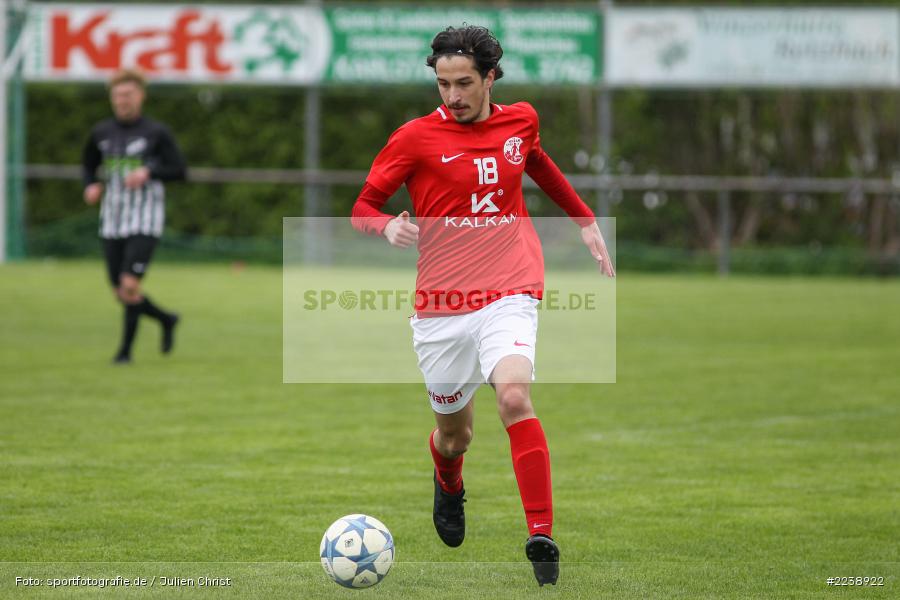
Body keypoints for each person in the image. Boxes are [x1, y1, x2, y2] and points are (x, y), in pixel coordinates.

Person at [351, 25, 615, 586]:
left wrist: (585, 220)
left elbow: (538, 163)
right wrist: (386, 225)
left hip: (510, 284)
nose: (453, 95)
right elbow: (363, 205)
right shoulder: (413, 138)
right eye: (443, 84)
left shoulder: (521, 119)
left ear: (491, 76)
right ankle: (448, 481)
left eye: (464, 82)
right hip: (442, 303)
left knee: (515, 394)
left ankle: (541, 533)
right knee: (455, 434)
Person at [82, 69, 187, 364]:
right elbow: (88, 164)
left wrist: (149, 171)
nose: (122, 100)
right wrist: (90, 185)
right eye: (117, 95)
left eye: (127, 95)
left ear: (141, 96)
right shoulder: (101, 133)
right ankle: (166, 319)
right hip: (112, 220)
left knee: (129, 284)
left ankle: (124, 353)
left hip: (145, 219)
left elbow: (180, 170)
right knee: (120, 291)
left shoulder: (156, 133)